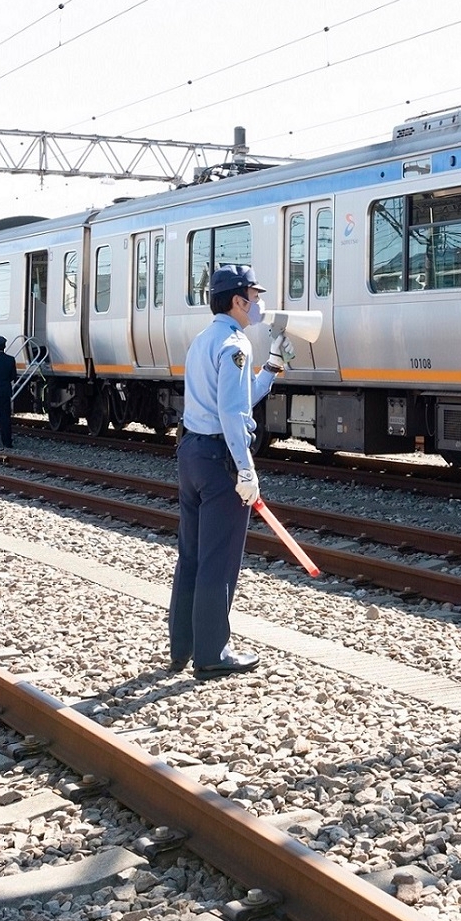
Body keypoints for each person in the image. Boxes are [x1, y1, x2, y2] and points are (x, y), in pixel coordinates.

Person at [172, 264, 285, 678]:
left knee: (192, 556)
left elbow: (234, 396)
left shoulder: (204, 340)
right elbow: (233, 412)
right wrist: (246, 471)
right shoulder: (236, 345)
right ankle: (212, 654)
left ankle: (182, 647)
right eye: (255, 297)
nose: (258, 305)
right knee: (218, 561)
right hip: (220, 460)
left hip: (191, 453)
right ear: (238, 300)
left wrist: (271, 369)